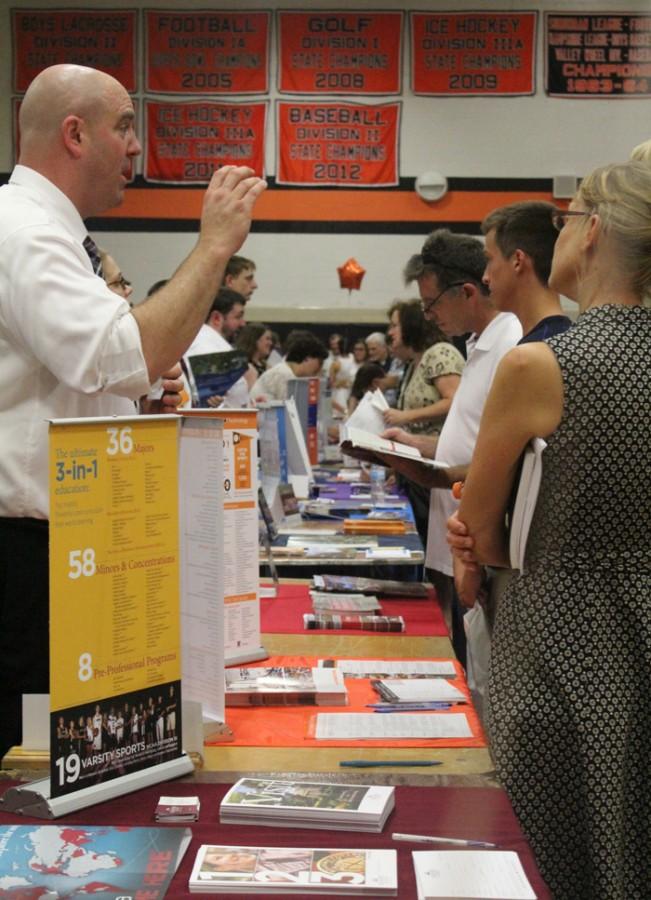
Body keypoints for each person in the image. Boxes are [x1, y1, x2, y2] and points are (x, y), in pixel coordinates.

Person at [0, 63, 266, 759]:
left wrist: (134, 397)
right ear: (74, 133)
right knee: (33, 774)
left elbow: (93, 374)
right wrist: (213, 246)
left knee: (77, 761)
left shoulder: (53, 232)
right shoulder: (23, 230)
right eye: (124, 126)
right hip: (25, 558)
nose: (137, 147)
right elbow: (121, 351)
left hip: (64, 544)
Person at [447, 161, 651, 898]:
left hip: (557, 640)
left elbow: (483, 538)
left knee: (556, 856)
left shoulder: (541, 364)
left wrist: (478, 549)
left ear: (591, 231)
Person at [375, 230, 522, 667]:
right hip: (457, 536)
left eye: (431, 304)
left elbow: (505, 461)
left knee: (483, 672)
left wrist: (433, 473)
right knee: (466, 661)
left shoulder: (510, 344)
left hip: (478, 544)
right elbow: (473, 437)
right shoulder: (477, 345)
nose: (428, 315)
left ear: (468, 292)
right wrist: (413, 445)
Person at [481, 201, 572, 343]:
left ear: (517, 261)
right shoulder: (570, 341)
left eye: (489, 259)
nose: (485, 277)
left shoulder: (527, 357)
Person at [383, 299, 464, 435]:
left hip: (441, 450)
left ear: (411, 325)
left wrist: (406, 416)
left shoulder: (439, 352)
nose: (390, 333)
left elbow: (455, 401)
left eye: (394, 326)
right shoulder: (413, 364)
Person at [184, 287, 252, 407]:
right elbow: (207, 404)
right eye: (238, 317)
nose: (243, 323)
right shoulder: (210, 349)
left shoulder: (202, 341)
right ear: (216, 318)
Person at [250, 332, 327, 402]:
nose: (319, 368)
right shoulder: (284, 373)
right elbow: (290, 409)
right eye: (319, 362)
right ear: (307, 358)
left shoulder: (287, 372)